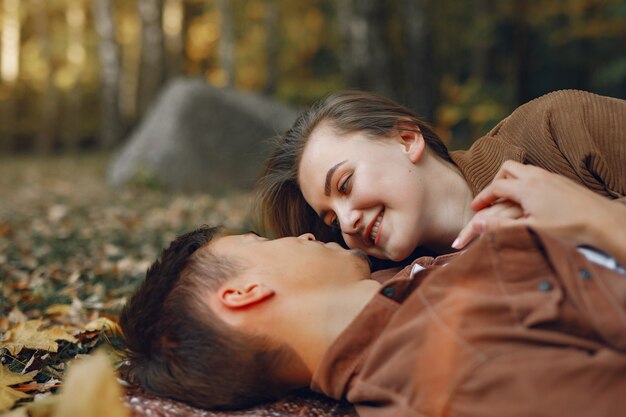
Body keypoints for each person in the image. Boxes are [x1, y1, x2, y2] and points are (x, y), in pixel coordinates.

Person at [120, 197, 626, 416]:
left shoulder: (400, 289)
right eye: (259, 239)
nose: (296, 235)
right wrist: (595, 218)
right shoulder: (452, 370)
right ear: (243, 294)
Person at [254, 89, 626, 265]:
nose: (348, 221)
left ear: (407, 139)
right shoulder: (398, 290)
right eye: (332, 220)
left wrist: (589, 220)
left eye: (345, 185)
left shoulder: (555, 128)